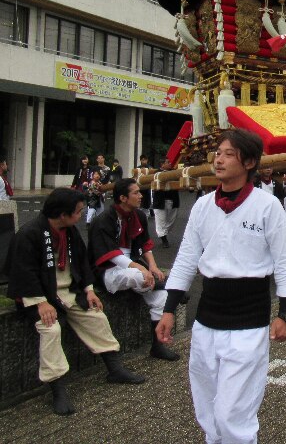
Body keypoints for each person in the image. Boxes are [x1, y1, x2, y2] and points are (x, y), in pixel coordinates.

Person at [156, 129, 286, 444]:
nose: (218, 160)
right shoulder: (203, 206)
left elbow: (285, 262)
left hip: (249, 321)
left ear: (249, 163)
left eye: (228, 154)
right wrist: (168, 309)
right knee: (207, 407)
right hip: (206, 319)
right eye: (217, 153)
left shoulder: (267, 206)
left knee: (233, 414)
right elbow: (186, 259)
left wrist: (285, 313)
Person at [6, 188, 144, 415]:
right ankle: (57, 389)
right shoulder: (29, 234)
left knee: (96, 316)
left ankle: (114, 368)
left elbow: (81, 263)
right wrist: (40, 302)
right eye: (78, 211)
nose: (81, 215)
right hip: (40, 297)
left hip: (69, 291)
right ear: (63, 214)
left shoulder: (70, 232)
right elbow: (23, 272)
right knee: (50, 329)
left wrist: (89, 290)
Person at [88, 178, 179, 361]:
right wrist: (140, 268)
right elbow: (110, 254)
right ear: (123, 198)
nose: (140, 196)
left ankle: (157, 347)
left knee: (161, 298)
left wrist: (152, 266)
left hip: (132, 266)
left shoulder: (139, 216)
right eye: (136, 193)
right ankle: (166, 285)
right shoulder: (103, 220)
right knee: (139, 276)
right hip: (109, 270)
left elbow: (145, 244)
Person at [152, 160, 180, 248]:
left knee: (172, 220)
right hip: (160, 201)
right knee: (161, 221)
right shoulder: (156, 174)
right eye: (168, 162)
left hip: (173, 200)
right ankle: (164, 238)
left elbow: (180, 182)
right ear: (162, 164)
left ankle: (164, 232)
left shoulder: (174, 173)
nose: (170, 163)